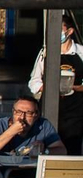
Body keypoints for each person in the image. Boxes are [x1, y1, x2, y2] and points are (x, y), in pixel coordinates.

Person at [27, 12, 82, 155]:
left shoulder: (81, 52)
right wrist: (46, 87)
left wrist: (72, 87)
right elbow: (34, 80)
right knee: (47, 145)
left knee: (72, 146)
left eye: (59, 29)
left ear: (69, 31)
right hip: (49, 106)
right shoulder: (45, 52)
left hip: (74, 110)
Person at [0, 96, 66, 158]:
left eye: (28, 113)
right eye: (18, 112)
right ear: (13, 112)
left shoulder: (43, 125)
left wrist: (44, 151)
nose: (22, 117)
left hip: (31, 172)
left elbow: (62, 151)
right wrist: (11, 131)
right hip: (1, 171)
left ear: (36, 115)